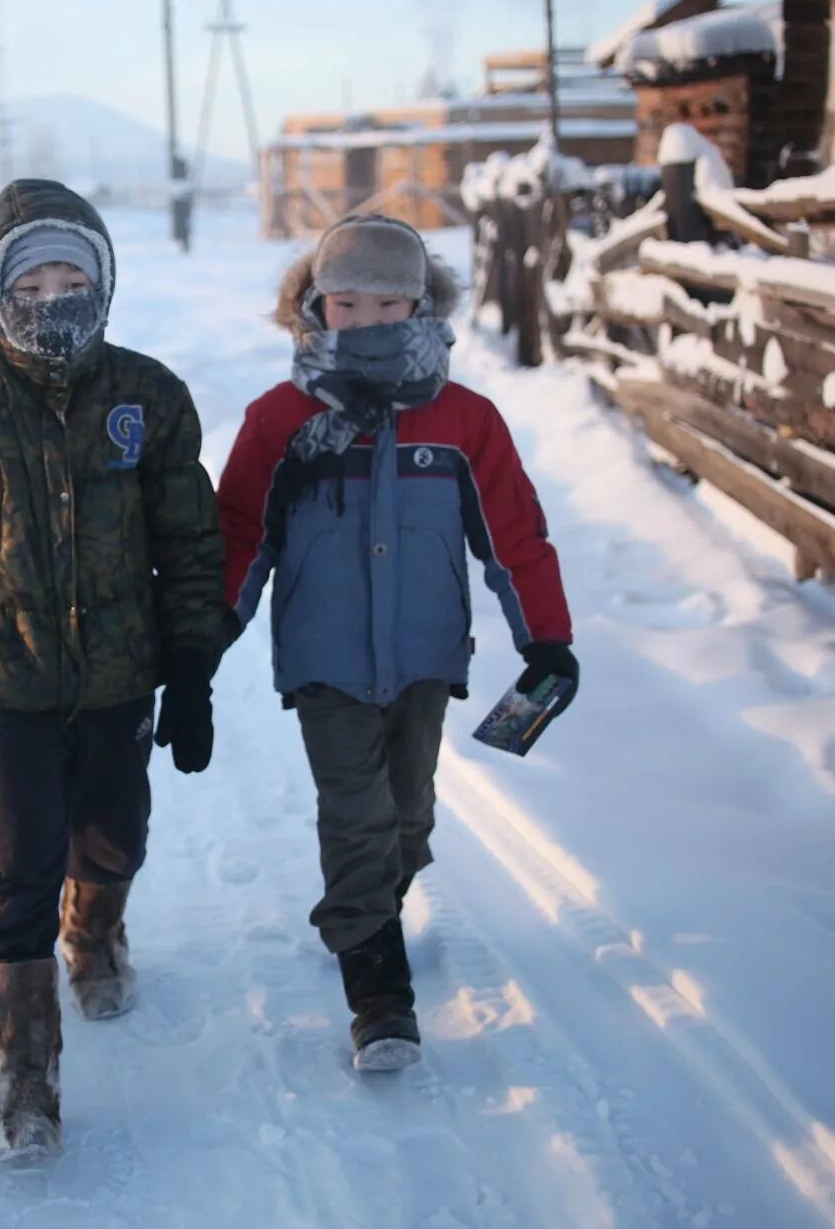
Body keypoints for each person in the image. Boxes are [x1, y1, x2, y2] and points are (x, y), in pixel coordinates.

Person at [0, 179, 224, 1159]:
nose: (50, 295)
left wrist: (193, 672)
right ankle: (21, 1074)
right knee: (19, 869)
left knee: (112, 840)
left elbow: (189, 543)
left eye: (69, 274)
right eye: (28, 278)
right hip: (6, 683)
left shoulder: (148, 397)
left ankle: (95, 932)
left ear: (103, 281)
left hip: (121, 675)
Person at [215, 213, 576, 1072]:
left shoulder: (463, 421)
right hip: (324, 661)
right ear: (314, 305)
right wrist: (203, 638)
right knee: (357, 815)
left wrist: (547, 640)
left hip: (423, 657)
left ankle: (373, 899)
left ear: (418, 305)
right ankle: (380, 995)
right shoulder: (281, 419)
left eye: (387, 304)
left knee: (408, 817)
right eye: (345, 304)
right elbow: (237, 534)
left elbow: (515, 536)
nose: (366, 321)